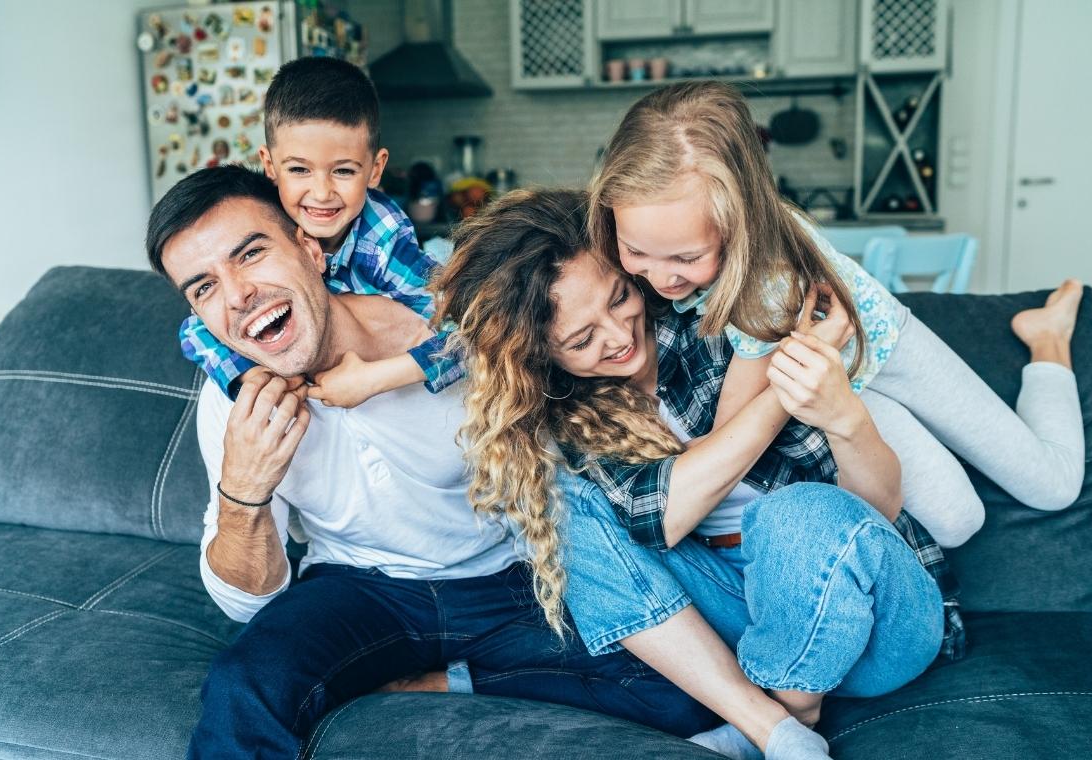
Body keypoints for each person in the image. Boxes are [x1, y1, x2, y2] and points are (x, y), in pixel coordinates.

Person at [146, 167, 732, 758]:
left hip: (509, 579)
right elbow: (247, 603)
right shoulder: (232, 397)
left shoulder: (450, 332)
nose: (238, 294)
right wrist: (244, 490)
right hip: (360, 589)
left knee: (685, 690)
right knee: (244, 686)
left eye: (250, 255)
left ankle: (445, 681)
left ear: (308, 247)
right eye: (204, 288)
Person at [434, 188, 953, 759]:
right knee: (555, 503)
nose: (618, 336)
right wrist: (783, 391)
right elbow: (663, 518)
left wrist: (817, 394)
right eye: (580, 340)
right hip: (741, 615)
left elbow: (872, 511)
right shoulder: (572, 416)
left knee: (793, 514)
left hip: (876, 622)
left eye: (619, 297)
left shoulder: (723, 326)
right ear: (541, 358)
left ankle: (789, 711)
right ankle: (769, 726)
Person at [588, 81, 1086, 549]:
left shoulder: (768, 285)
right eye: (637, 252)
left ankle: (1047, 340)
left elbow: (726, 439)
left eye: (687, 259)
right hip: (844, 382)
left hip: (887, 351)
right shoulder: (640, 245)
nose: (661, 279)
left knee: (1052, 486)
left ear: (741, 223)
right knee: (957, 522)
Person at [180, 56, 462, 408]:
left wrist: (372, 379)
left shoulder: (382, 241)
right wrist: (250, 376)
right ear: (270, 166)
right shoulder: (263, 224)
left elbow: (467, 339)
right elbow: (195, 331)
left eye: (343, 171)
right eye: (299, 169)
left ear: (375, 171)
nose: (322, 193)